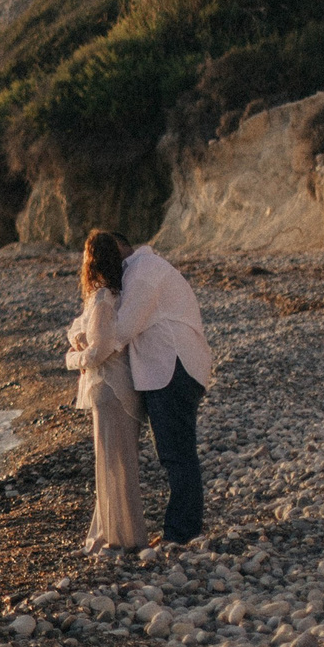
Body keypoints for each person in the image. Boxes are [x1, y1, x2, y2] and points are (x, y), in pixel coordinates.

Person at [70, 232, 214, 545]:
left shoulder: (144, 272)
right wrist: (85, 338)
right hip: (162, 368)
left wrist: (84, 349)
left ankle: (182, 533)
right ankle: (180, 529)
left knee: (176, 454)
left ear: (121, 249)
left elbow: (120, 329)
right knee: (174, 453)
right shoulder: (135, 273)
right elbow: (93, 324)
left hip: (173, 367)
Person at [64, 229, 147, 550]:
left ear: (91, 259)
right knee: (116, 463)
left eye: (85, 255)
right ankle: (118, 533)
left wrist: (72, 359)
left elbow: (100, 351)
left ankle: (122, 537)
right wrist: (78, 338)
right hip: (113, 388)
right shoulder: (108, 295)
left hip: (110, 389)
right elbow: (78, 327)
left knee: (115, 463)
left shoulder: (101, 299)